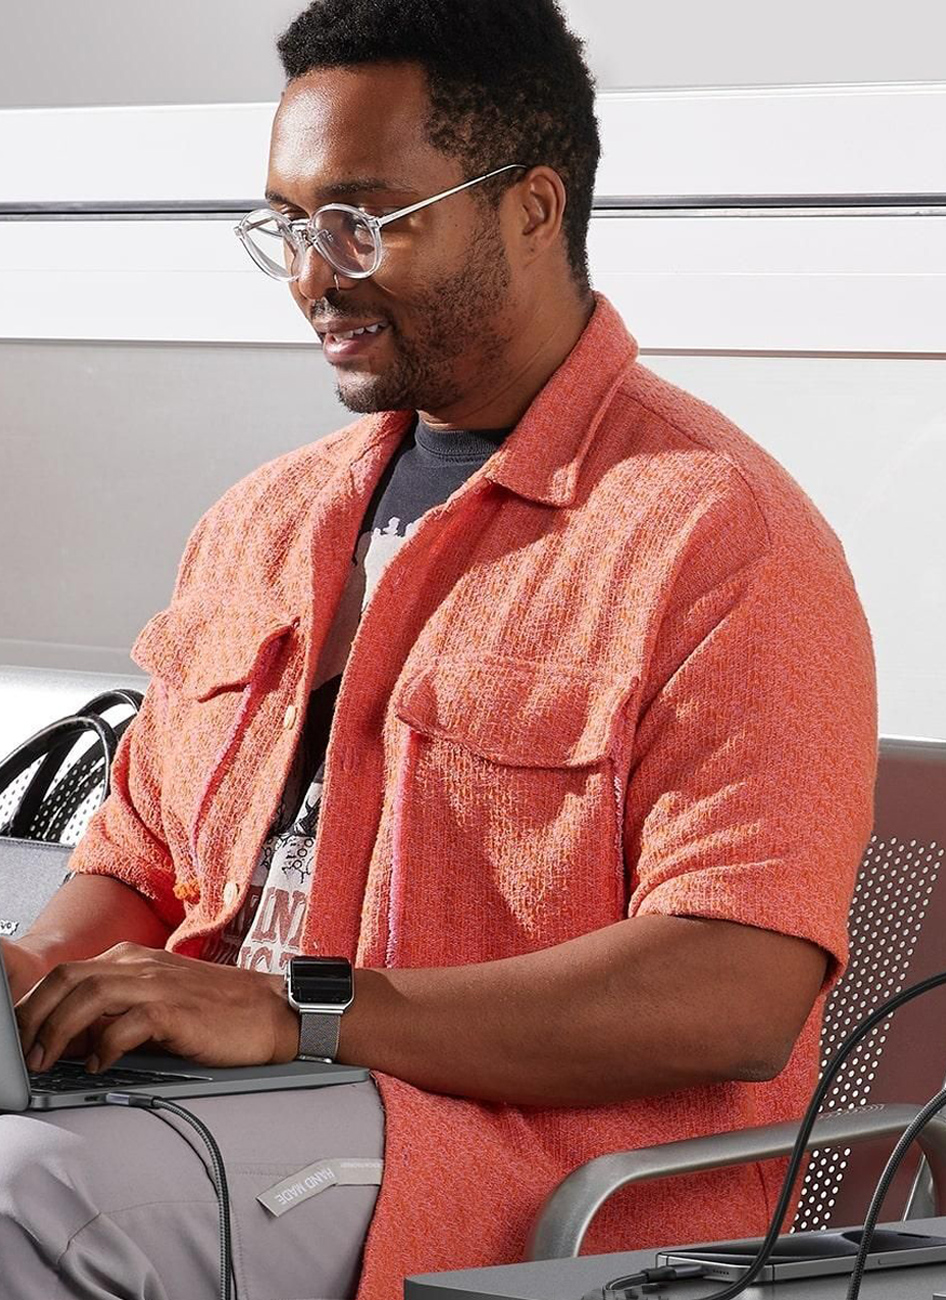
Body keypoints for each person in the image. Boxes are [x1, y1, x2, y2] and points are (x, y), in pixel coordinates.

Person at [1, 2, 876, 1297]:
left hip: (514, 1166)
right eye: (291, 226)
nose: (313, 274)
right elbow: (137, 871)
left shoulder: (716, 534)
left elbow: (734, 990)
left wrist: (299, 1014)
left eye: (362, 221)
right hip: (212, 1114)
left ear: (530, 208)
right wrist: (30, 982)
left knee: (30, 1200)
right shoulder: (260, 523)